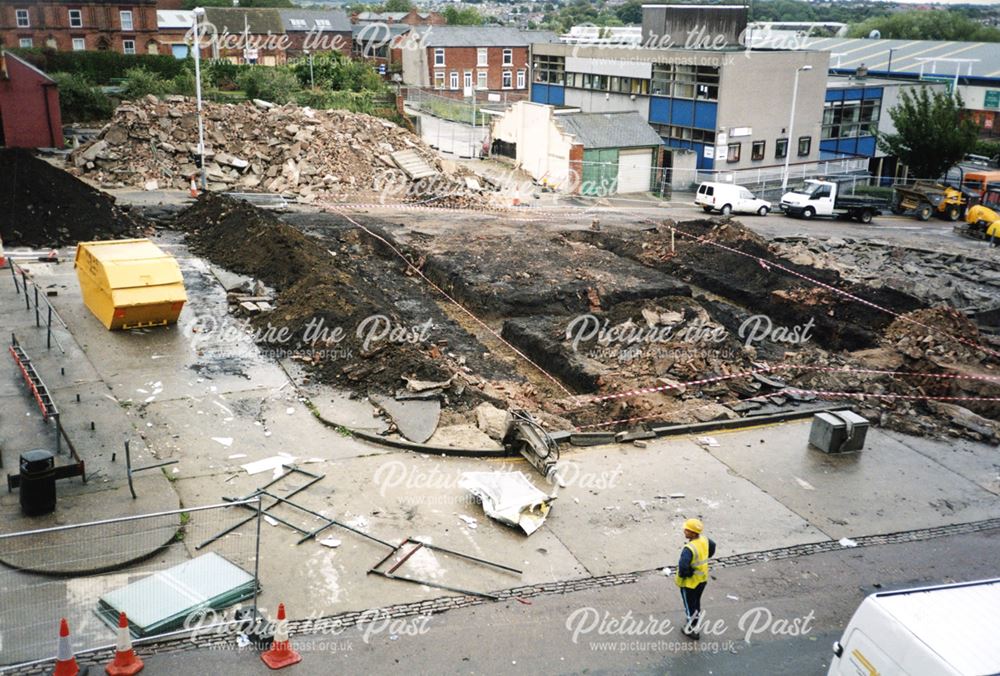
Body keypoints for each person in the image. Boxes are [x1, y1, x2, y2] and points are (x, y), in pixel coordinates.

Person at [675, 518, 716, 640]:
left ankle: (692, 629)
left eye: (687, 530)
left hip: (690, 583)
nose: (684, 531)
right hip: (702, 580)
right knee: (696, 602)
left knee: (689, 605)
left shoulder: (689, 548)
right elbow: (713, 546)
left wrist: (685, 574)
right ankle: (695, 617)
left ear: (693, 533)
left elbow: (683, 567)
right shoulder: (704, 540)